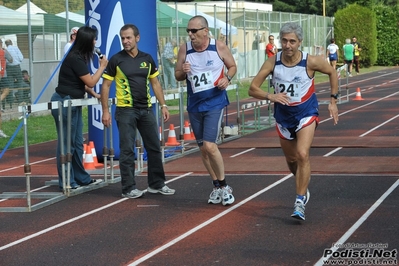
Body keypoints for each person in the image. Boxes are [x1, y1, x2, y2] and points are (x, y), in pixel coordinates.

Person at [248, 22, 339, 220]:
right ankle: (302, 184)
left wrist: (333, 101)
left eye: (292, 41)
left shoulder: (311, 61)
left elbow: (332, 72)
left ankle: (299, 202)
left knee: (302, 153)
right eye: (284, 41)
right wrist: (270, 96)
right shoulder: (273, 62)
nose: (287, 45)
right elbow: (252, 88)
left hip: (306, 112)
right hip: (283, 116)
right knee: (291, 160)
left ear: (300, 42)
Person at [101, 24, 175, 199]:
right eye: (123, 38)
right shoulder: (116, 60)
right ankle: (128, 188)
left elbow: (155, 83)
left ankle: (156, 185)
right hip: (125, 111)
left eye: (128, 38)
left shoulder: (147, 59)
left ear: (137, 38)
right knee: (127, 150)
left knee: (154, 147)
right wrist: (105, 110)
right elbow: (106, 85)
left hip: (146, 110)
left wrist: (163, 105)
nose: (125, 41)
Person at [175, 15, 237, 206]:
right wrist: (183, 71)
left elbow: (233, 66)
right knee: (203, 149)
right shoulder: (185, 49)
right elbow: (177, 75)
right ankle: (216, 185)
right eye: (188, 31)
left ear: (205, 31)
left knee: (210, 145)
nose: (191, 35)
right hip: (195, 104)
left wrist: (227, 78)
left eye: (194, 31)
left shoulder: (218, 47)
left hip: (215, 102)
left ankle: (225, 186)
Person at [50, 26, 107, 190]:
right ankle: (67, 180)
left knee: (77, 143)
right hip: (64, 102)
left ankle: (81, 177)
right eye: (93, 40)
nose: (95, 43)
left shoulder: (80, 57)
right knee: (67, 144)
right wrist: (102, 66)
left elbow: (81, 82)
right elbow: (90, 81)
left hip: (74, 102)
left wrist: (93, 94)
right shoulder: (75, 57)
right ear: (86, 41)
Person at [4, 39, 23, 104]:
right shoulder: (16, 48)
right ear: (11, 43)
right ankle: (20, 100)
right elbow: (21, 58)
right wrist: (17, 61)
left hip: (9, 68)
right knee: (20, 84)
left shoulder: (5, 50)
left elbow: (5, 60)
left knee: (10, 85)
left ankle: (10, 101)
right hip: (17, 67)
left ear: (6, 44)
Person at [0, 39, 13, 111]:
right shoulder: (3, 51)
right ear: (1, 44)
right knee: (6, 90)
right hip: (2, 75)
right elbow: (11, 60)